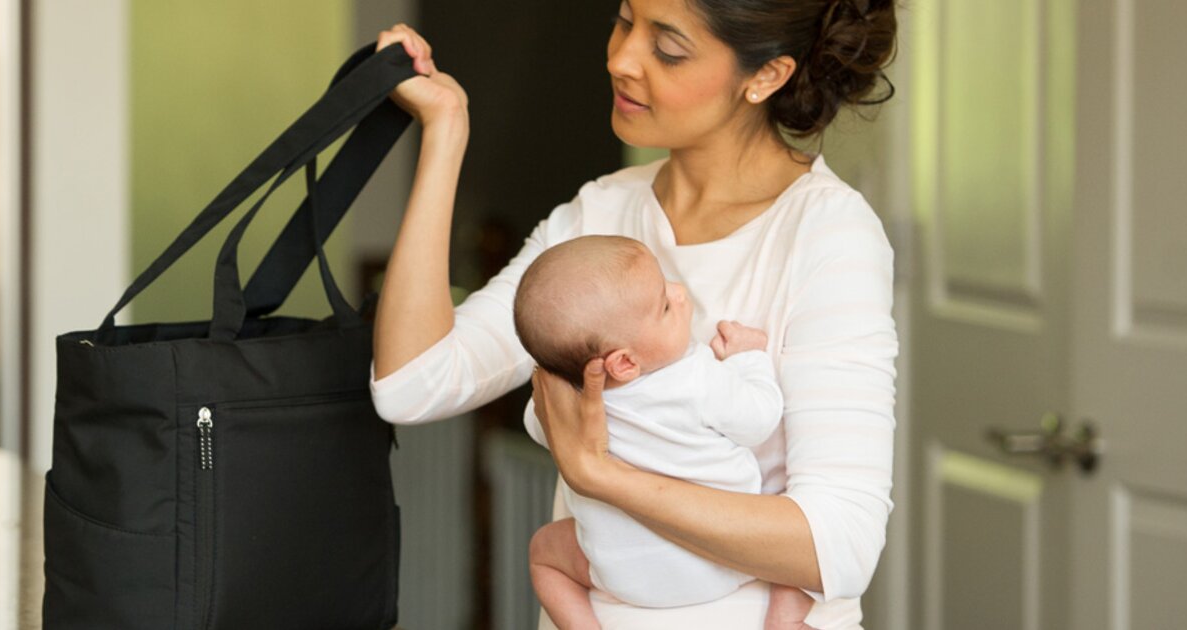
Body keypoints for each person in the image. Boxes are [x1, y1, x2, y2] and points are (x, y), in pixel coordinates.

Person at [368, 0, 899, 627]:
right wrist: (445, 131)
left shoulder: (827, 233)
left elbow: (837, 544)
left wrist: (601, 474)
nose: (620, 58)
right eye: (624, 20)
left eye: (668, 48)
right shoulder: (599, 216)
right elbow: (410, 384)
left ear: (766, 76)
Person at [512, 235, 786, 628]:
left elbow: (537, 426)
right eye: (664, 306)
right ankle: (786, 616)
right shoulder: (694, 377)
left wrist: (559, 381)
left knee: (543, 551)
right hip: (726, 560)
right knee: (794, 515)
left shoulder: (569, 407)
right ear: (624, 363)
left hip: (622, 575)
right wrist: (750, 358)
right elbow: (760, 418)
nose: (678, 293)